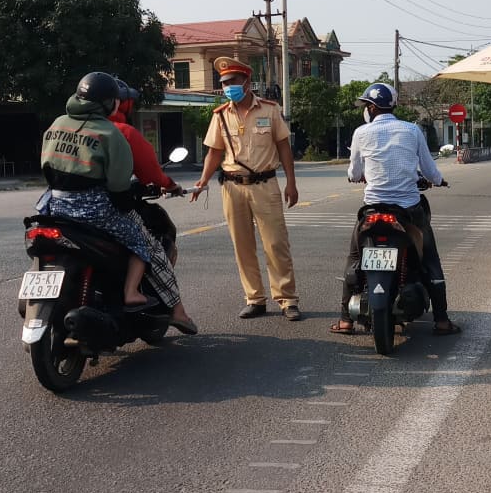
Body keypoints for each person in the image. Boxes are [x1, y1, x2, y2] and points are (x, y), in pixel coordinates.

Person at [37, 72, 187, 330]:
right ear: (110, 103)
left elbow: (46, 166)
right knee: (143, 241)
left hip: (56, 204)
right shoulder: (112, 133)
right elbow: (119, 185)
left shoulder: (58, 123)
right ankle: (135, 294)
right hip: (95, 209)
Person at [331, 84, 461, 336]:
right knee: (430, 258)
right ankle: (442, 320)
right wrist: (438, 180)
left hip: (372, 210)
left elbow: (355, 173)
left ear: (371, 108)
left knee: (355, 256)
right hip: (409, 210)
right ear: (393, 106)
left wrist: (357, 176)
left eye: (366, 106)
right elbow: (430, 170)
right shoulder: (412, 131)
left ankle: (346, 320)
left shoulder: (361, 133)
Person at [190, 57, 302, 321]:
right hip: (232, 187)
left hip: (265, 184)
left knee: (276, 244)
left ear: (246, 82)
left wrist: (292, 183)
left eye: (232, 82)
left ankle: (287, 299)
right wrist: (202, 181)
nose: (228, 87)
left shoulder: (269, 110)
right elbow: (214, 153)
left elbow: (284, 147)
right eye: (224, 83)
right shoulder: (220, 115)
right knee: (242, 246)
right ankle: (255, 298)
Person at [108, 77, 198, 334]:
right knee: (151, 248)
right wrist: (169, 185)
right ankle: (175, 310)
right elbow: (151, 173)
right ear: (119, 103)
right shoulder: (122, 132)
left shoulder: (65, 127)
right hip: (104, 210)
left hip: (56, 208)